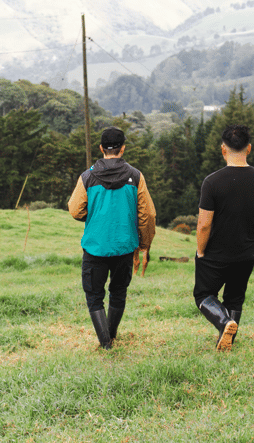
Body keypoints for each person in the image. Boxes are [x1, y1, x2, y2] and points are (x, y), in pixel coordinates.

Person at [68, 127, 156, 349]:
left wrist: (96, 215)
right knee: (118, 292)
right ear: (123, 148)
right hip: (125, 246)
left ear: (101, 148)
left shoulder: (87, 177)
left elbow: (75, 210)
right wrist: (144, 245)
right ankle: (111, 336)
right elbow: (148, 215)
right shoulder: (135, 176)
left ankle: (105, 343)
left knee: (94, 296)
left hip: (95, 247)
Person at [194, 124, 254, 351]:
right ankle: (228, 338)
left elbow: (204, 224)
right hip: (246, 252)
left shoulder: (212, 182)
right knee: (235, 298)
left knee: (203, 294)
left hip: (216, 253)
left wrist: (201, 251)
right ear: (248, 149)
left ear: (223, 150)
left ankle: (223, 322)